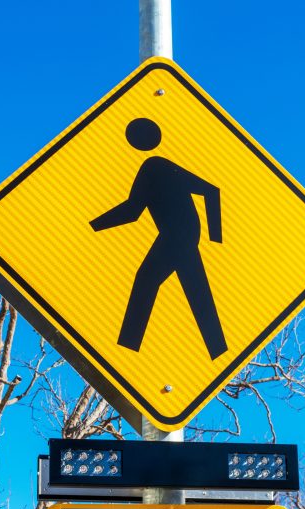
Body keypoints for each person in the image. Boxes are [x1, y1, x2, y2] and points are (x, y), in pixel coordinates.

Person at [90, 117, 228, 360]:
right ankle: (219, 351)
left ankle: (127, 349)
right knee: (197, 293)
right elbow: (133, 211)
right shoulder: (155, 166)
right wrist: (94, 226)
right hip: (181, 235)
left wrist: (216, 239)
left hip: (177, 235)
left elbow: (211, 191)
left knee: (146, 280)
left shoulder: (156, 166)